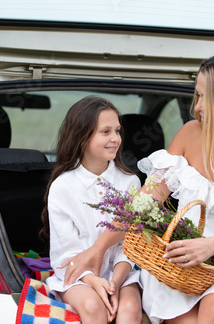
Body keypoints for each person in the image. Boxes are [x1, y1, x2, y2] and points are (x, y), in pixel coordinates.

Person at [60, 52, 214, 323]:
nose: (196, 108)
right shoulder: (190, 134)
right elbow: (146, 202)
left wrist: (210, 246)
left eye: (204, 98)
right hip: (180, 262)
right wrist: (99, 249)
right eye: (196, 96)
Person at [40, 96, 142, 324]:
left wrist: (114, 283)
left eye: (117, 131)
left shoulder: (131, 183)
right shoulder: (63, 187)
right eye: (105, 132)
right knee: (93, 306)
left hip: (122, 274)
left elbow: (132, 246)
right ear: (82, 137)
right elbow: (66, 252)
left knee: (130, 310)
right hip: (77, 276)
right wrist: (95, 282)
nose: (115, 138)